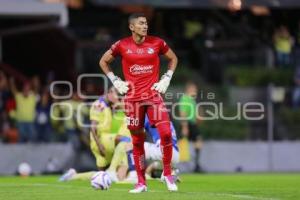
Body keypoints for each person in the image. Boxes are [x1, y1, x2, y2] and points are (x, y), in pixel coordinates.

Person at [99, 13, 178, 193]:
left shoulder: (157, 43)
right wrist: (116, 81)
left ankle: (167, 173)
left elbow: (173, 59)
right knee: (137, 141)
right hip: (133, 100)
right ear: (132, 27)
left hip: (153, 97)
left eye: (146, 23)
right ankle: (141, 182)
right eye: (141, 23)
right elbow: (103, 61)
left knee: (165, 133)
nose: (145, 26)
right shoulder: (122, 45)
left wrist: (166, 78)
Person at [59, 87, 128, 181]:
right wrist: (100, 145)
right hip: (101, 140)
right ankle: (112, 170)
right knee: (125, 139)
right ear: (110, 93)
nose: (118, 99)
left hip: (104, 140)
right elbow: (93, 127)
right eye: (117, 96)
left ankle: (73, 176)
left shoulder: (107, 105)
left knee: (102, 176)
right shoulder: (99, 105)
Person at [179, 81, 203, 172]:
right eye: (194, 89)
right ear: (188, 89)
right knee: (181, 143)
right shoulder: (185, 99)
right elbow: (183, 113)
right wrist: (185, 127)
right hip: (187, 124)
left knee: (198, 141)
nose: (195, 90)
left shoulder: (191, 99)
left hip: (192, 124)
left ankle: (196, 165)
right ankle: (173, 164)